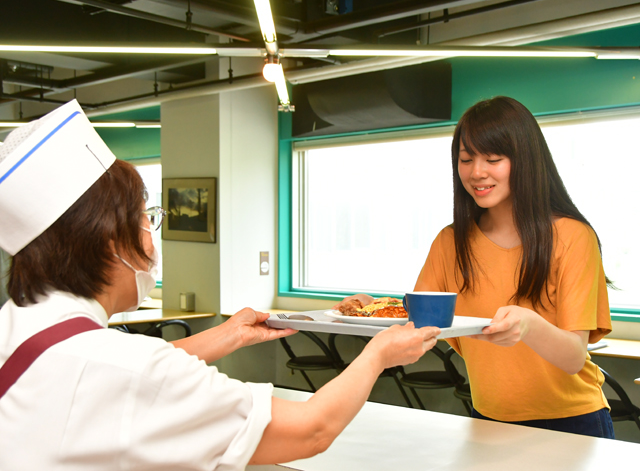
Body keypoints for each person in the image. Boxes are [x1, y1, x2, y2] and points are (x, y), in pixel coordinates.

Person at [0, 100, 440, 470]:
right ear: (110, 241)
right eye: (145, 219)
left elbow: (115, 370)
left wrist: (227, 335)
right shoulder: (123, 368)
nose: (153, 238)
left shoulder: (18, 324)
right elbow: (312, 430)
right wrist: (377, 354)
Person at [336, 96, 614, 438]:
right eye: (466, 159)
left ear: (525, 159)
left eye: (493, 159)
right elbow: (419, 320)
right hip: (487, 419)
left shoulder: (572, 236)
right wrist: (371, 307)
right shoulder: (450, 242)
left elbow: (573, 356)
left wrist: (528, 325)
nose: (476, 172)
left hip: (573, 423)